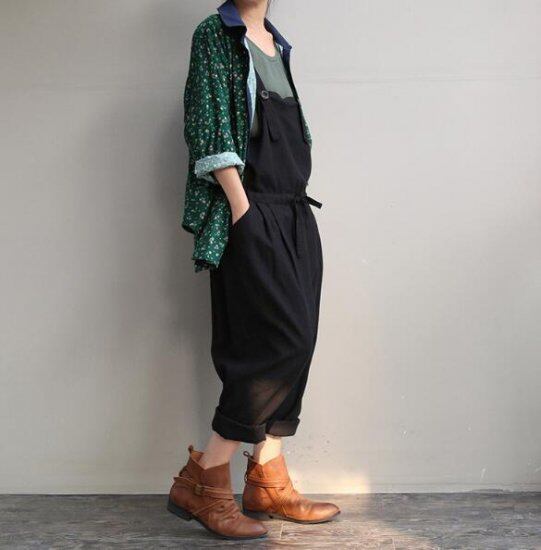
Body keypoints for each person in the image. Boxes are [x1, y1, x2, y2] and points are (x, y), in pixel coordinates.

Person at [167, 0, 339, 540]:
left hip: (294, 210)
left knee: (300, 341)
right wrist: (242, 210)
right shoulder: (215, 34)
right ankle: (205, 476)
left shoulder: (277, 43)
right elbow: (208, 125)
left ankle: (267, 477)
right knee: (272, 344)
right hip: (251, 208)